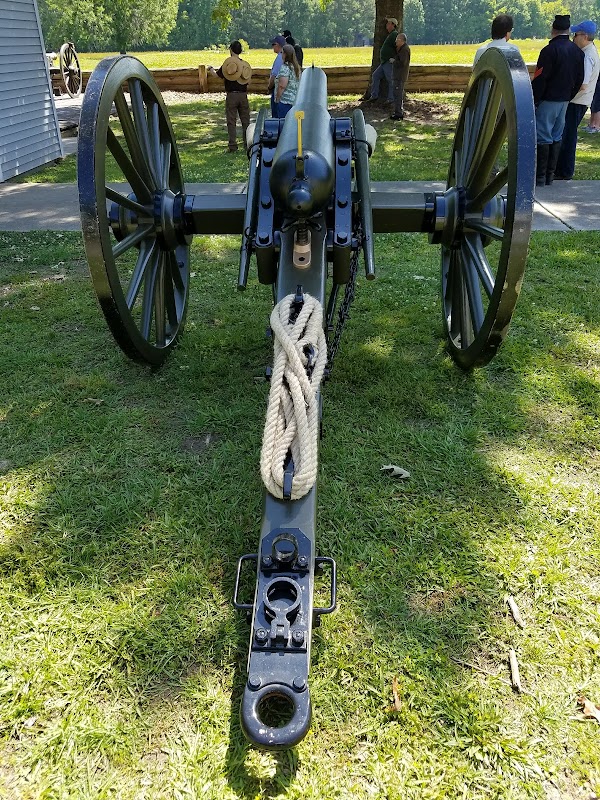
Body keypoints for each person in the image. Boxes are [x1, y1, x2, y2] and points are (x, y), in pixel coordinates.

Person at [532, 14, 585, 187]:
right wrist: (569, 96)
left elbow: (540, 78)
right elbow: (579, 78)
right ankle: (549, 175)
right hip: (564, 100)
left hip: (548, 99)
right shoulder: (577, 52)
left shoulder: (548, 51)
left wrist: (535, 98)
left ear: (553, 30)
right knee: (556, 136)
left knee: (543, 136)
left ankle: (540, 177)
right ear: (568, 31)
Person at [555, 21, 599, 179]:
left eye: (576, 35)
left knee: (567, 136)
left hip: (577, 101)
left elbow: (583, 84)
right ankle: (563, 170)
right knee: (568, 135)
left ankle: (564, 171)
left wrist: (566, 93)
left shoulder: (587, 56)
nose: (573, 38)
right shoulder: (591, 51)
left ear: (585, 36)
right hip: (580, 101)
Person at [208, 41, 252, 153]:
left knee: (231, 121)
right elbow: (249, 81)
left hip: (231, 95)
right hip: (243, 95)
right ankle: (248, 144)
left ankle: (233, 145)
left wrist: (211, 69)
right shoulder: (245, 65)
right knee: (245, 120)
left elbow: (217, 75)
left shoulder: (228, 65)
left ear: (231, 50)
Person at [367, 17, 399, 103]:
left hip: (388, 62)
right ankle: (374, 95)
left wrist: (395, 58)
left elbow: (398, 47)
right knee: (375, 75)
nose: (386, 25)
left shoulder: (394, 35)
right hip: (384, 62)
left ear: (393, 25)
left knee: (390, 80)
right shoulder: (390, 35)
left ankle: (391, 98)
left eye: (388, 23)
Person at [274, 44, 301, 118]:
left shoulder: (285, 68)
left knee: (283, 124)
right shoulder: (297, 68)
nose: (281, 55)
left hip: (285, 101)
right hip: (295, 101)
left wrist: (278, 98)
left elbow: (282, 86)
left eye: (282, 53)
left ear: (285, 54)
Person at [390, 33, 410, 121]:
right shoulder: (401, 49)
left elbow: (402, 63)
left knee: (398, 95)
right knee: (396, 94)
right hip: (398, 75)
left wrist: (393, 61)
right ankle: (398, 112)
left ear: (401, 41)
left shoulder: (404, 50)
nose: (396, 41)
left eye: (397, 40)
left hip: (400, 76)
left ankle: (398, 113)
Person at [268, 35, 286, 116]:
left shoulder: (279, 58)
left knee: (276, 116)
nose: (272, 47)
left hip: (277, 90)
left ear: (278, 45)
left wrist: (269, 86)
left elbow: (274, 75)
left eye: (273, 45)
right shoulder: (284, 56)